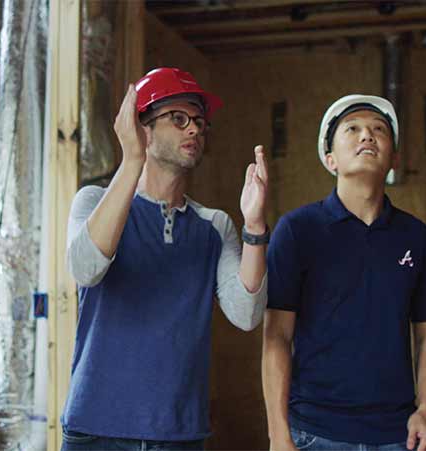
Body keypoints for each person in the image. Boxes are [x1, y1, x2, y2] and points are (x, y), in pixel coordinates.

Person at [60, 67, 270, 450]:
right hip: (96, 429)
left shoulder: (214, 226)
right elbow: (85, 269)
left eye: (200, 123)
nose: (194, 129)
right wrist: (131, 162)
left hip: (179, 435)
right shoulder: (92, 201)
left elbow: (246, 314)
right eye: (178, 118)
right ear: (143, 129)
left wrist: (254, 225)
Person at [262, 94, 426, 451]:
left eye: (379, 130)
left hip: (396, 436)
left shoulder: (415, 235)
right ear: (330, 159)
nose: (367, 136)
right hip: (314, 433)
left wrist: (425, 410)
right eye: (353, 129)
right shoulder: (297, 230)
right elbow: (276, 337)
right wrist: (278, 435)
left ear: (393, 158)